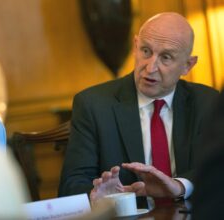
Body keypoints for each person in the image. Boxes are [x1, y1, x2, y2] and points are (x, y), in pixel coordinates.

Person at [58, 12, 219, 208]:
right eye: (145, 51)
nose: (150, 68)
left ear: (187, 65)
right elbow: (70, 186)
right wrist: (95, 196)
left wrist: (179, 186)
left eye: (166, 57)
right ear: (135, 46)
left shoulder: (208, 102)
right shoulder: (93, 104)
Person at [192, 89, 224, 219]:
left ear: (187, 68)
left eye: (165, 66)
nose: (150, 69)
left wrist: (181, 185)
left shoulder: (206, 98)